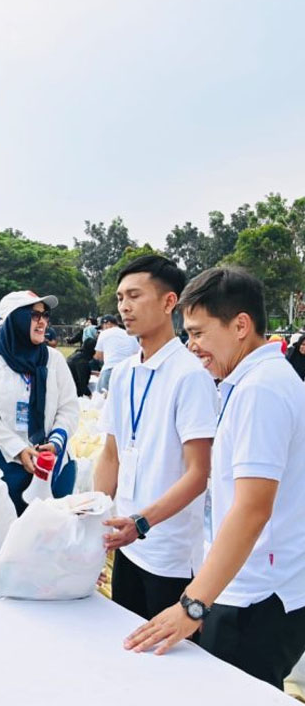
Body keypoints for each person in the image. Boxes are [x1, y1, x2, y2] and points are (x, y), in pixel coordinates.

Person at [125, 268, 305, 691]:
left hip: (260, 596)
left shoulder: (262, 390)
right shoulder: (248, 382)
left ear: (240, 326)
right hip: (248, 586)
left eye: (199, 333)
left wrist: (191, 605)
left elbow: (252, 509)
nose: (192, 346)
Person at [93, 256, 217, 622]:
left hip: (169, 554)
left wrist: (142, 522)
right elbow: (111, 453)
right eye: (119, 298)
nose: (124, 307)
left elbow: (199, 473)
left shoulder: (190, 375)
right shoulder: (123, 372)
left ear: (168, 303)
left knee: (169, 663)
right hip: (128, 546)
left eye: (134, 295)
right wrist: (97, 519)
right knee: (127, 646)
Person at [0, 291, 79, 515]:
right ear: (15, 320)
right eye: (34, 315)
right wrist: (19, 449)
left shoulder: (54, 359)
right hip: (6, 466)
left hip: (52, 463)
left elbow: (68, 407)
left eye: (45, 315)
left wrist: (57, 440)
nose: (43, 321)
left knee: (52, 537)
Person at [94, 314, 140, 392]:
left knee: (102, 400)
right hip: (127, 371)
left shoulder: (104, 333)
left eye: (102, 327)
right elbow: (137, 353)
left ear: (108, 323)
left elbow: (98, 356)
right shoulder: (129, 334)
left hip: (110, 369)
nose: (102, 329)